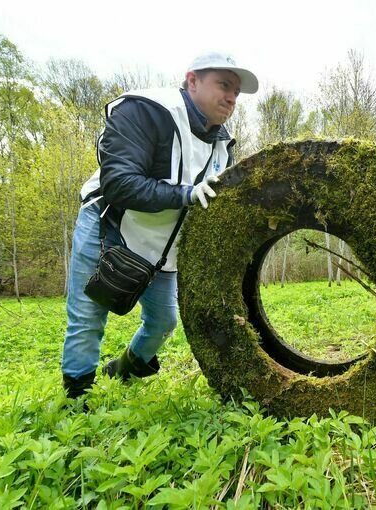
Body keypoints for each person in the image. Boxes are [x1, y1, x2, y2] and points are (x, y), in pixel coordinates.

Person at [61, 53, 259, 399]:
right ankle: (77, 397)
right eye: (224, 84)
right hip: (109, 229)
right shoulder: (146, 111)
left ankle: (125, 367)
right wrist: (186, 194)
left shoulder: (222, 147)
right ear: (192, 80)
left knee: (164, 321)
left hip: (163, 246)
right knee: (88, 317)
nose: (231, 97)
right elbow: (119, 183)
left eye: (237, 92)